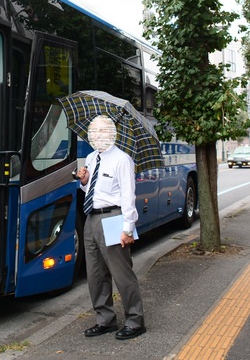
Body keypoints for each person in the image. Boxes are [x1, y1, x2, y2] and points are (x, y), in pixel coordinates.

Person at [75, 115, 146, 340]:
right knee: (95, 273)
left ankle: (135, 321)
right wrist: (84, 181)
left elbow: (128, 196)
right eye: (94, 132)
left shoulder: (122, 160)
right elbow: (92, 192)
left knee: (122, 273)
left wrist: (127, 228)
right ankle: (105, 320)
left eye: (102, 131)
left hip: (114, 218)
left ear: (111, 133)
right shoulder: (90, 157)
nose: (97, 135)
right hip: (91, 218)